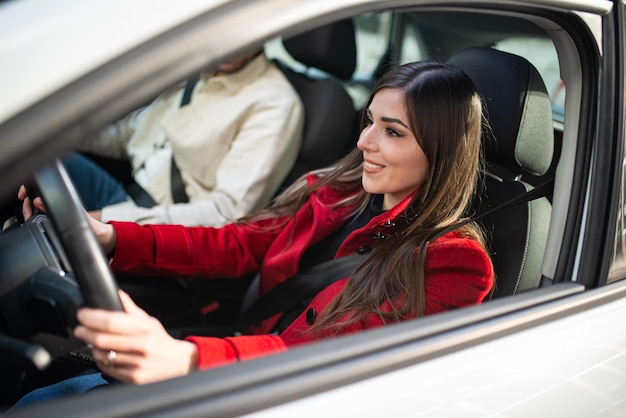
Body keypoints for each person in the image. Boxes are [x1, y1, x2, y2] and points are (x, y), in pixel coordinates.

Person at [11, 60, 494, 408]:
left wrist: (186, 362)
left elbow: (330, 357)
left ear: (440, 150)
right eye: (369, 121)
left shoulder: (453, 262)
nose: (365, 140)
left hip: (275, 393)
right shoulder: (338, 189)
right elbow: (239, 244)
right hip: (237, 354)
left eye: (392, 131)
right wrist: (113, 237)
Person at [64, 46, 304, 226]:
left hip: (151, 228)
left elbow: (225, 214)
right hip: (121, 193)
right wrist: (59, 136)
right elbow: (127, 137)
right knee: (37, 158)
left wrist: (108, 220)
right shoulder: (196, 70)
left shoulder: (274, 103)